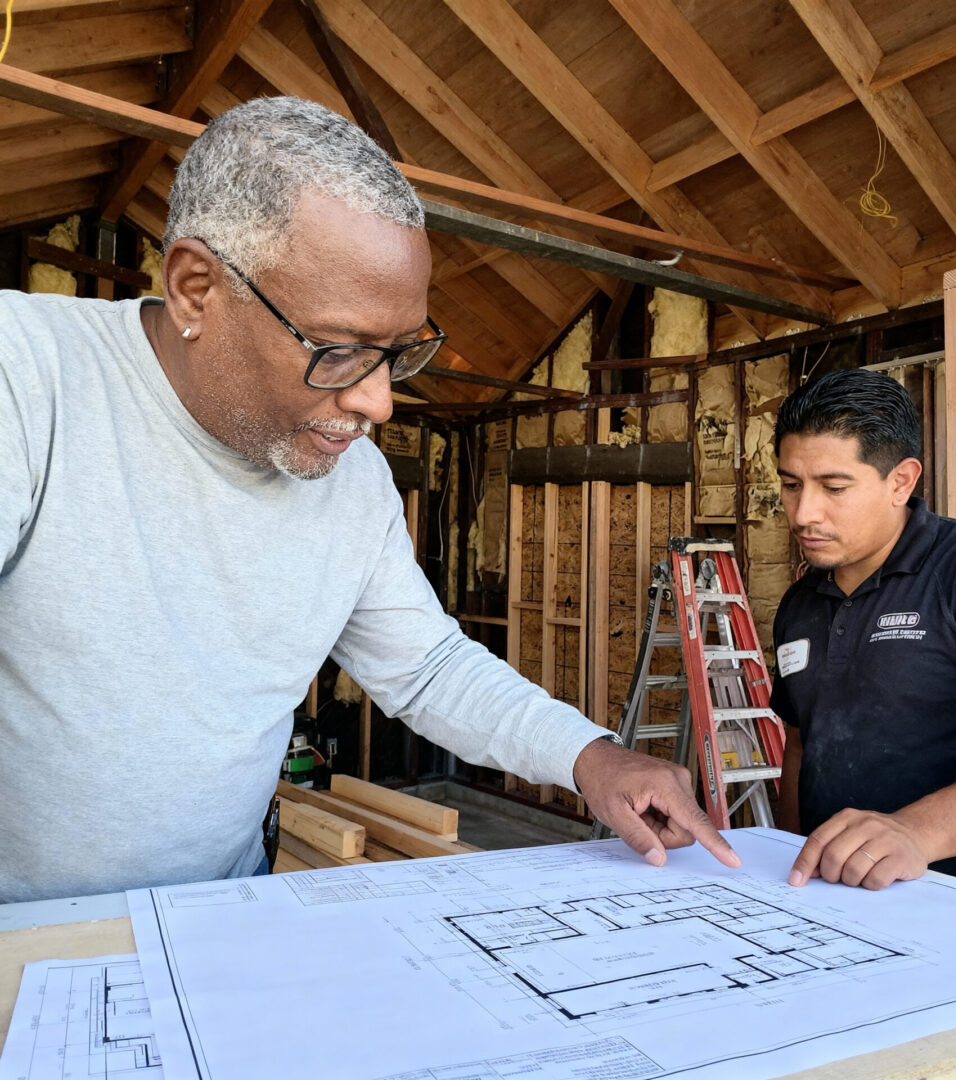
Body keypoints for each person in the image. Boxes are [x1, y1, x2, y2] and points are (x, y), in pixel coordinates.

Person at [0, 97, 739, 905]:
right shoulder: (30, 380)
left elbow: (426, 667)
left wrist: (591, 757)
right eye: (342, 350)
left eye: (399, 353)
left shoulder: (351, 480)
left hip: (219, 915)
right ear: (195, 288)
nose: (380, 403)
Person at [770, 367, 956, 892]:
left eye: (834, 487)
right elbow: (801, 749)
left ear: (901, 481)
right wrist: (792, 867)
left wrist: (915, 832)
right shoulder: (800, 603)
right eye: (790, 484)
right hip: (837, 901)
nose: (803, 513)